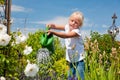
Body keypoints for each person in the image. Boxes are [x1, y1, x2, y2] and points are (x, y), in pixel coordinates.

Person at [47, 11, 85, 80]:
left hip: (79, 60)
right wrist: (52, 26)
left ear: (79, 25)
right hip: (70, 59)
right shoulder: (67, 27)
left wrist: (53, 32)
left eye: (76, 22)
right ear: (69, 20)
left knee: (79, 77)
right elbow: (57, 27)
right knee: (70, 77)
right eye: (72, 20)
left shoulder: (77, 32)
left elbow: (65, 35)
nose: (73, 23)